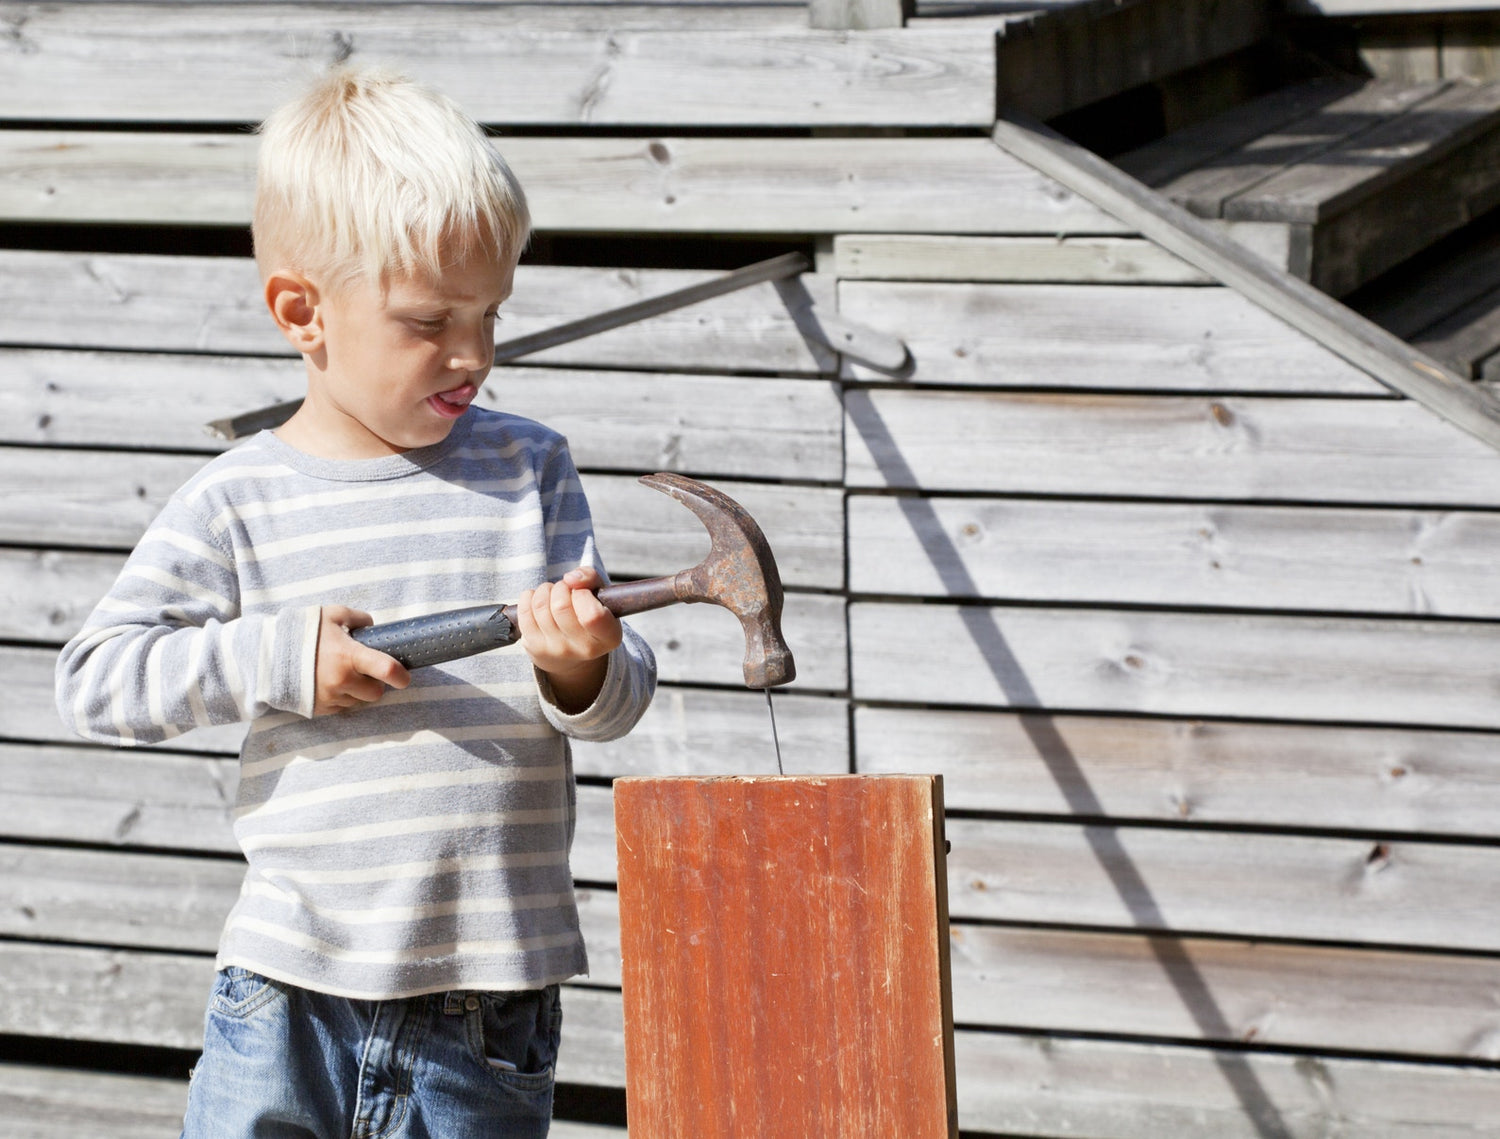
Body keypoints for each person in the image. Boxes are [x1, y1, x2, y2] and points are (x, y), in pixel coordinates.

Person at [54, 65, 656, 1139]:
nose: (473, 352)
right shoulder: (239, 499)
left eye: (491, 313)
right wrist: (278, 660)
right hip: (288, 990)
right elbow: (96, 680)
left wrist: (579, 664)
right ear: (304, 313)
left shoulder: (529, 468)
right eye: (430, 320)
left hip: (486, 1003)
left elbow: (616, 692)